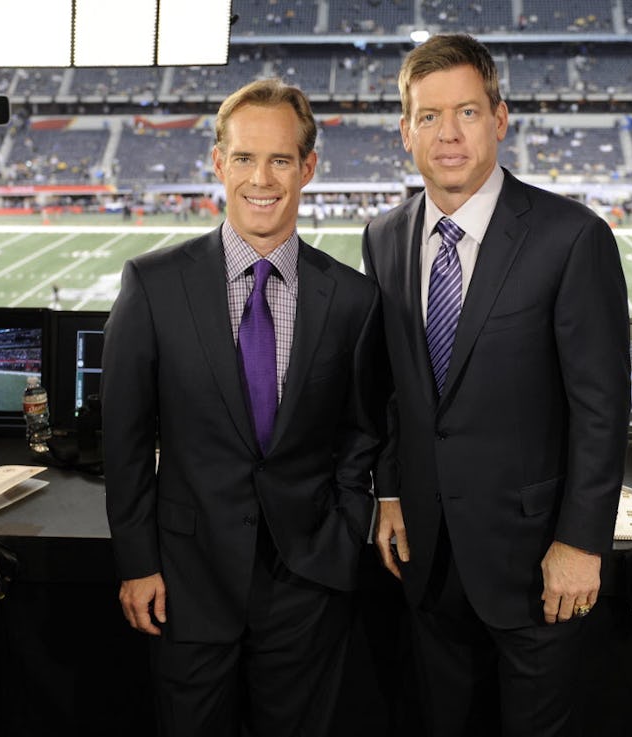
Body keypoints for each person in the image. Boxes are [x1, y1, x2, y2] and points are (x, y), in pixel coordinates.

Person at [362, 34, 629, 737]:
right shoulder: (384, 236)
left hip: (536, 557)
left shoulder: (571, 237)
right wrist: (388, 488)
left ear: (500, 118)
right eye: (428, 116)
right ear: (404, 131)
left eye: (467, 113)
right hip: (427, 551)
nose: (447, 134)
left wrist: (581, 541)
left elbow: (601, 409)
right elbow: (391, 383)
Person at [102, 78, 385, 737]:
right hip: (185, 576)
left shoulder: (350, 299)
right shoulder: (152, 284)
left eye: (281, 159)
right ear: (217, 162)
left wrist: (342, 534)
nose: (263, 178)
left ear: (308, 167)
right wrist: (138, 561)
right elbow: (124, 437)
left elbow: (361, 431)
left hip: (307, 580)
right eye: (246, 158)